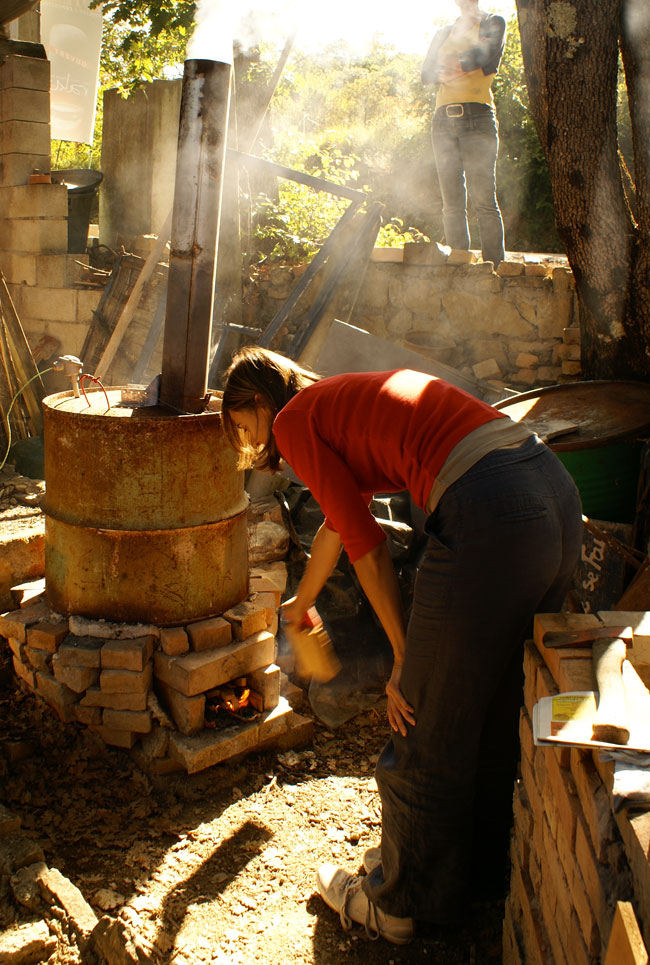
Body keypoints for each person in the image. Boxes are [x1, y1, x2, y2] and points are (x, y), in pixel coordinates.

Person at [221, 346, 583, 945]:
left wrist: (403, 657)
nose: (250, 439)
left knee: (419, 712)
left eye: (241, 425)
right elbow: (341, 522)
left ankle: (397, 902)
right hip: (552, 493)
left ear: (259, 403)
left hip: (488, 506)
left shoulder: (292, 419)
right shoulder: (338, 405)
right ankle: (476, 878)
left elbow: (365, 546)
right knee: (493, 709)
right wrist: (300, 601)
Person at [422, 0, 506, 268]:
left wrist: (448, 66)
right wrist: (455, 66)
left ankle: (495, 268)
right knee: (451, 203)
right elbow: (426, 73)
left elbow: (484, 59)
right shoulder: (443, 33)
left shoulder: (493, 23)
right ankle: (460, 266)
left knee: (484, 201)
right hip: (442, 122)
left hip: (478, 117)